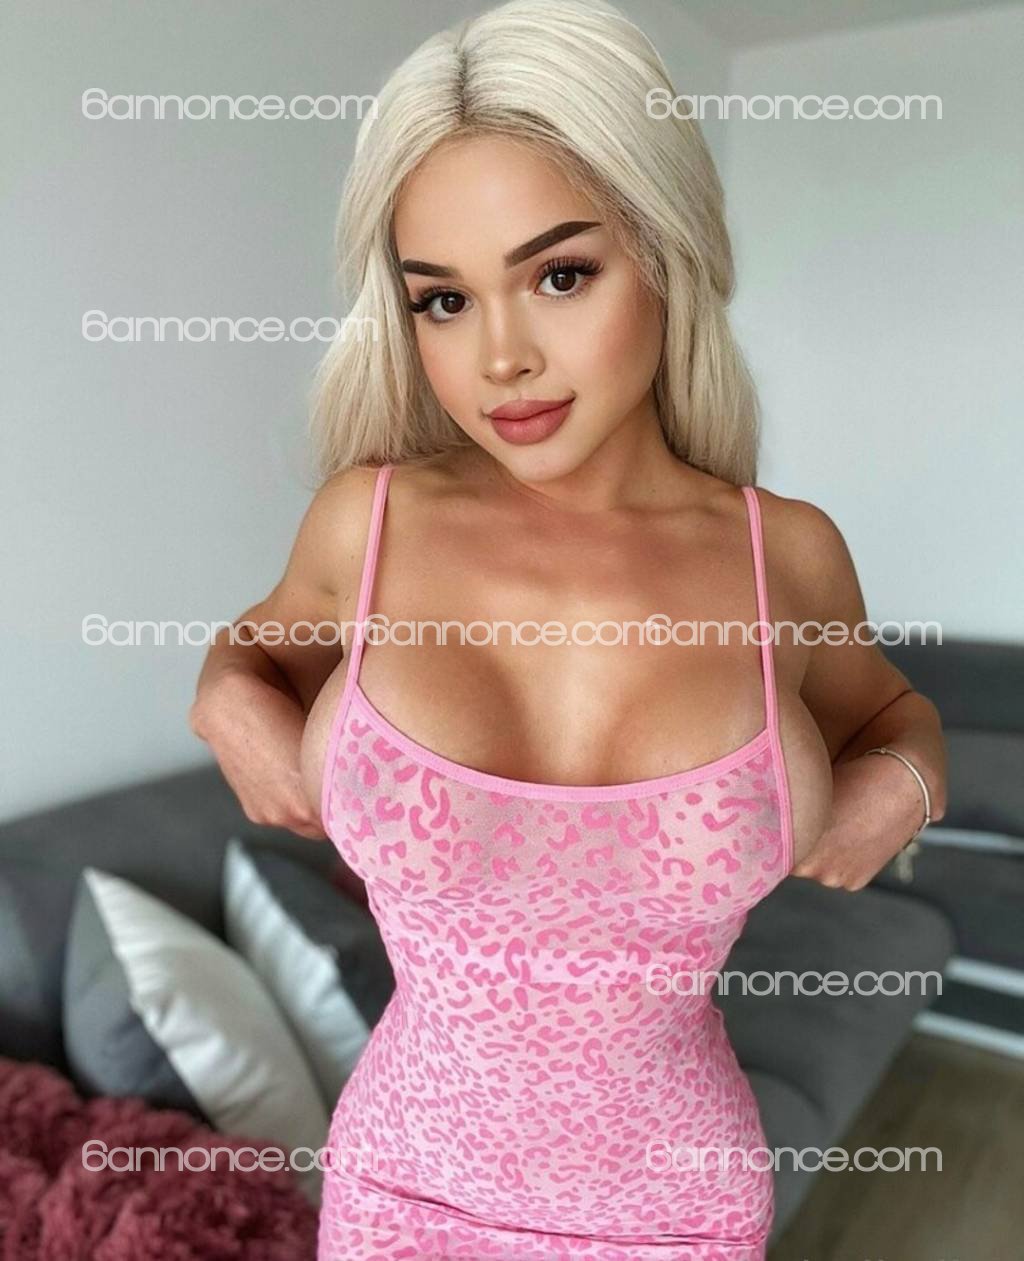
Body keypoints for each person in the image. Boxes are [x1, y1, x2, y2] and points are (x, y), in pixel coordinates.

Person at [189, 2, 948, 1256]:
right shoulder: (367, 523)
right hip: (403, 1194)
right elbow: (253, 652)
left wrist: (906, 787)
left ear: (664, 251)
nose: (502, 357)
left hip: (679, 1211)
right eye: (443, 300)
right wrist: (224, 694)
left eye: (558, 276)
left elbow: (892, 714)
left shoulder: (784, 555)